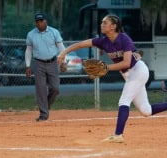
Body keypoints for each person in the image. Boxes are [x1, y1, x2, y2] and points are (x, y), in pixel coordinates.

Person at [58, 14, 167, 143]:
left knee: (124, 101)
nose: (102, 25)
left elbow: (127, 63)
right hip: (128, 75)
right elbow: (81, 44)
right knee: (146, 110)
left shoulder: (124, 39)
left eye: (105, 23)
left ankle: (118, 135)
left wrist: (106, 67)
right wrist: (64, 52)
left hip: (138, 71)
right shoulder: (103, 41)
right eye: (102, 23)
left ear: (113, 26)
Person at [25, 13, 65, 121]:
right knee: (41, 89)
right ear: (35, 23)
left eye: (41, 21)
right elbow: (28, 50)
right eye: (37, 21)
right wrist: (27, 65)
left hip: (52, 62)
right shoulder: (31, 34)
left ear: (45, 21)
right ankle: (43, 114)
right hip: (38, 63)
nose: (39, 23)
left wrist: (63, 62)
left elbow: (61, 48)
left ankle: (45, 106)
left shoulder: (54, 32)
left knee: (55, 88)